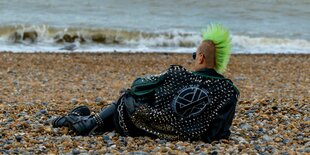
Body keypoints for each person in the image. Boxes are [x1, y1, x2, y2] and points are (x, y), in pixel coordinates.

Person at [52, 24, 239, 143]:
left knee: (128, 97)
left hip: (137, 126)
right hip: (182, 134)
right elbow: (220, 133)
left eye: (194, 55)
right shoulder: (229, 92)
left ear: (200, 57)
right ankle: (85, 119)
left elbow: (138, 87)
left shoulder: (177, 75)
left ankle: (87, 122)